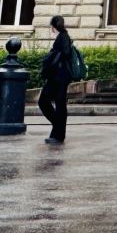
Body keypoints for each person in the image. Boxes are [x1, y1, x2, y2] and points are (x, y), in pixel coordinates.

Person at [39, 14, 75, 144]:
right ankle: (58, 130)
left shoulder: (63, 37)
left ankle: (58, 132)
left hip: (59, 76)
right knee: (52, 103)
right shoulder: (63, 36)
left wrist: (54, 53)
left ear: (54, 26)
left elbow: (65, 53)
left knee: (48, 102)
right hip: (58, 76)